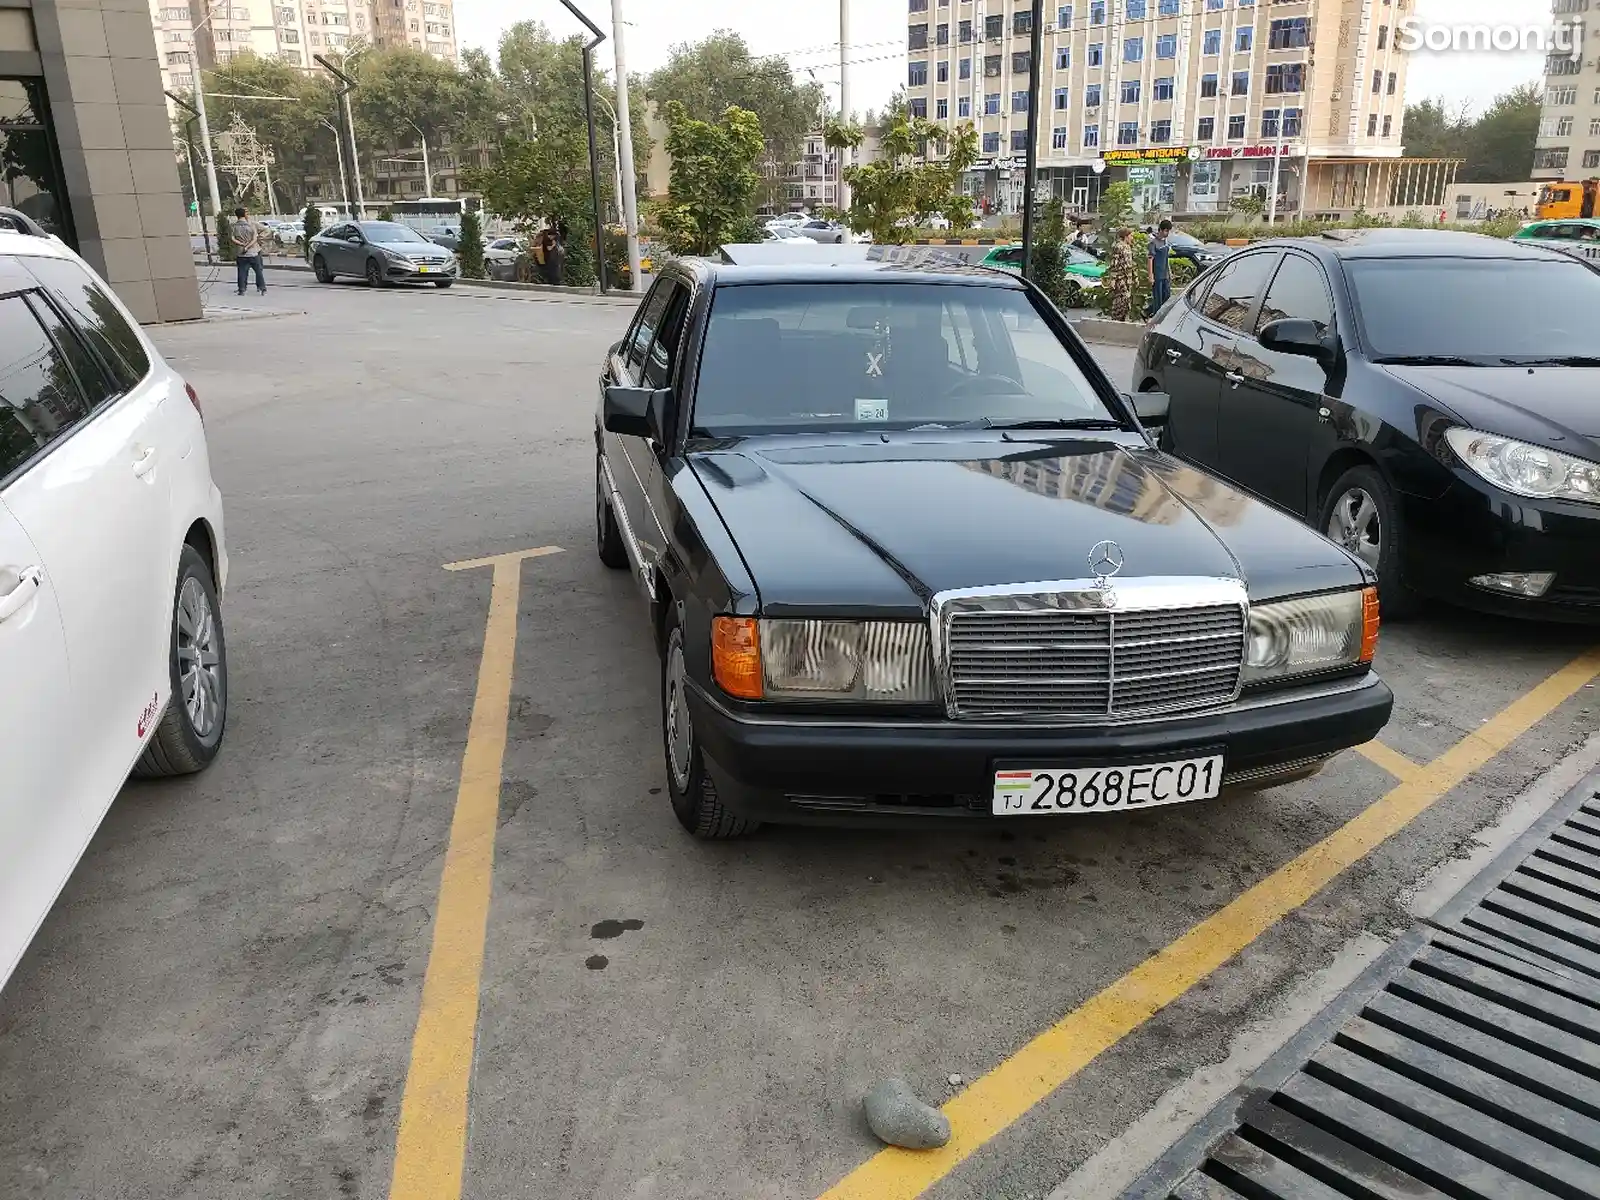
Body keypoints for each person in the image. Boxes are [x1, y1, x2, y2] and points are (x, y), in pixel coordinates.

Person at [231, 207, 266, 296]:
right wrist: (248, 246)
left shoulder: (234, 226)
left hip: (241, 253)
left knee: (241, 271)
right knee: (258, 271)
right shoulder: (251, 225)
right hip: (253, 252)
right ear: (244, 214)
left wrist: (241, 244)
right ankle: (262, 288)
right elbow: (255, 238)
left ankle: (242, 289)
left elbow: (232, 238)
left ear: (236, 215)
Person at [1106, 227, 1135, 322]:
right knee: (1120, 301)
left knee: (1126, 302)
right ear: (1126, 236)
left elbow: (1131, 264)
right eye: (1131, 236)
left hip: (1127, 279)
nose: (1132, 238)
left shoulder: (1128, 247)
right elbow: (1115, 263)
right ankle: (1116, 320)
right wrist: (1113, 280)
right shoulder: (1118, 246)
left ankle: (1121, 320)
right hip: (1120, 279)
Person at [1148, 218, 1173, 313]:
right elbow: (1150, 259)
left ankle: (1147, 311)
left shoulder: (1165, 242)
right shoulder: (1153, 243)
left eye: (1168, 231)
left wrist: (1169, 272)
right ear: (1161, 230)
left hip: (1165, 274)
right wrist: (1151, 275)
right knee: (1157, 299)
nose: (1167, 233)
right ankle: (1156, 318)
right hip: (1157, 275)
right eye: (1166, 231)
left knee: (1167, 296)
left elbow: (1166, 258)